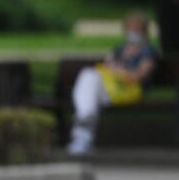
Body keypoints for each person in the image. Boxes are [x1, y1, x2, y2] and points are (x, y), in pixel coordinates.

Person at [67, 11, 160, 156]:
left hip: (131, 90)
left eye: (137, 28)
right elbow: (107, 66)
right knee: (89, 77)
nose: (133, 32)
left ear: (144, 30)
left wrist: (120, 70)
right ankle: (83, 137)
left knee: (89, 83)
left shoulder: (149, 51)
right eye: (130, 28)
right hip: (112, 90)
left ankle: (82, 138)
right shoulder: (120, 49)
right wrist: (114, 68)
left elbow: (139, 76)